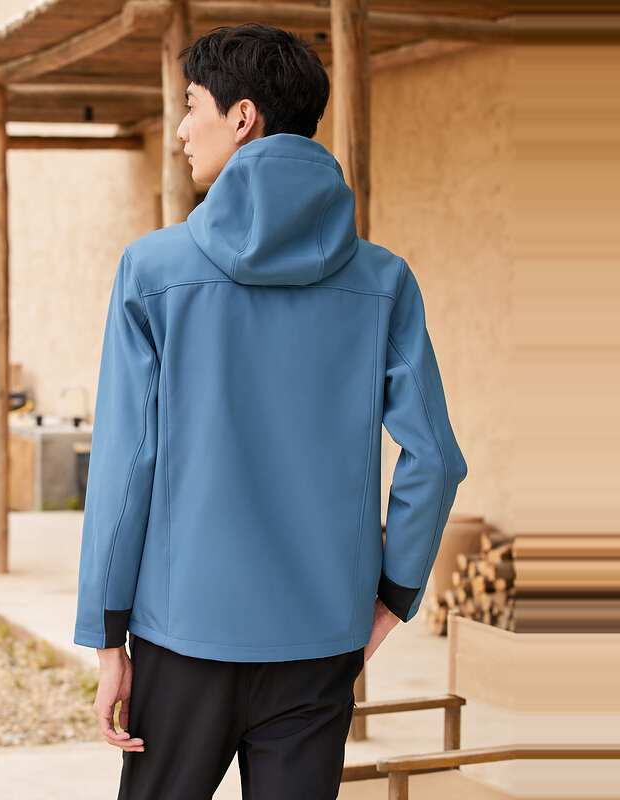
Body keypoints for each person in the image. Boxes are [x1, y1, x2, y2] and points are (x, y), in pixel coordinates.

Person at [74, 22, 468, 800]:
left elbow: (126, 466)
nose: (181, 129)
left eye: (192, 106)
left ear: (242, 117)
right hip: (319, 643)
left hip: (182, 636)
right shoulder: (383, 281)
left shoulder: (152, 271)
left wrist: (108, 635)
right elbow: (434, 457)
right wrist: (392, 599)